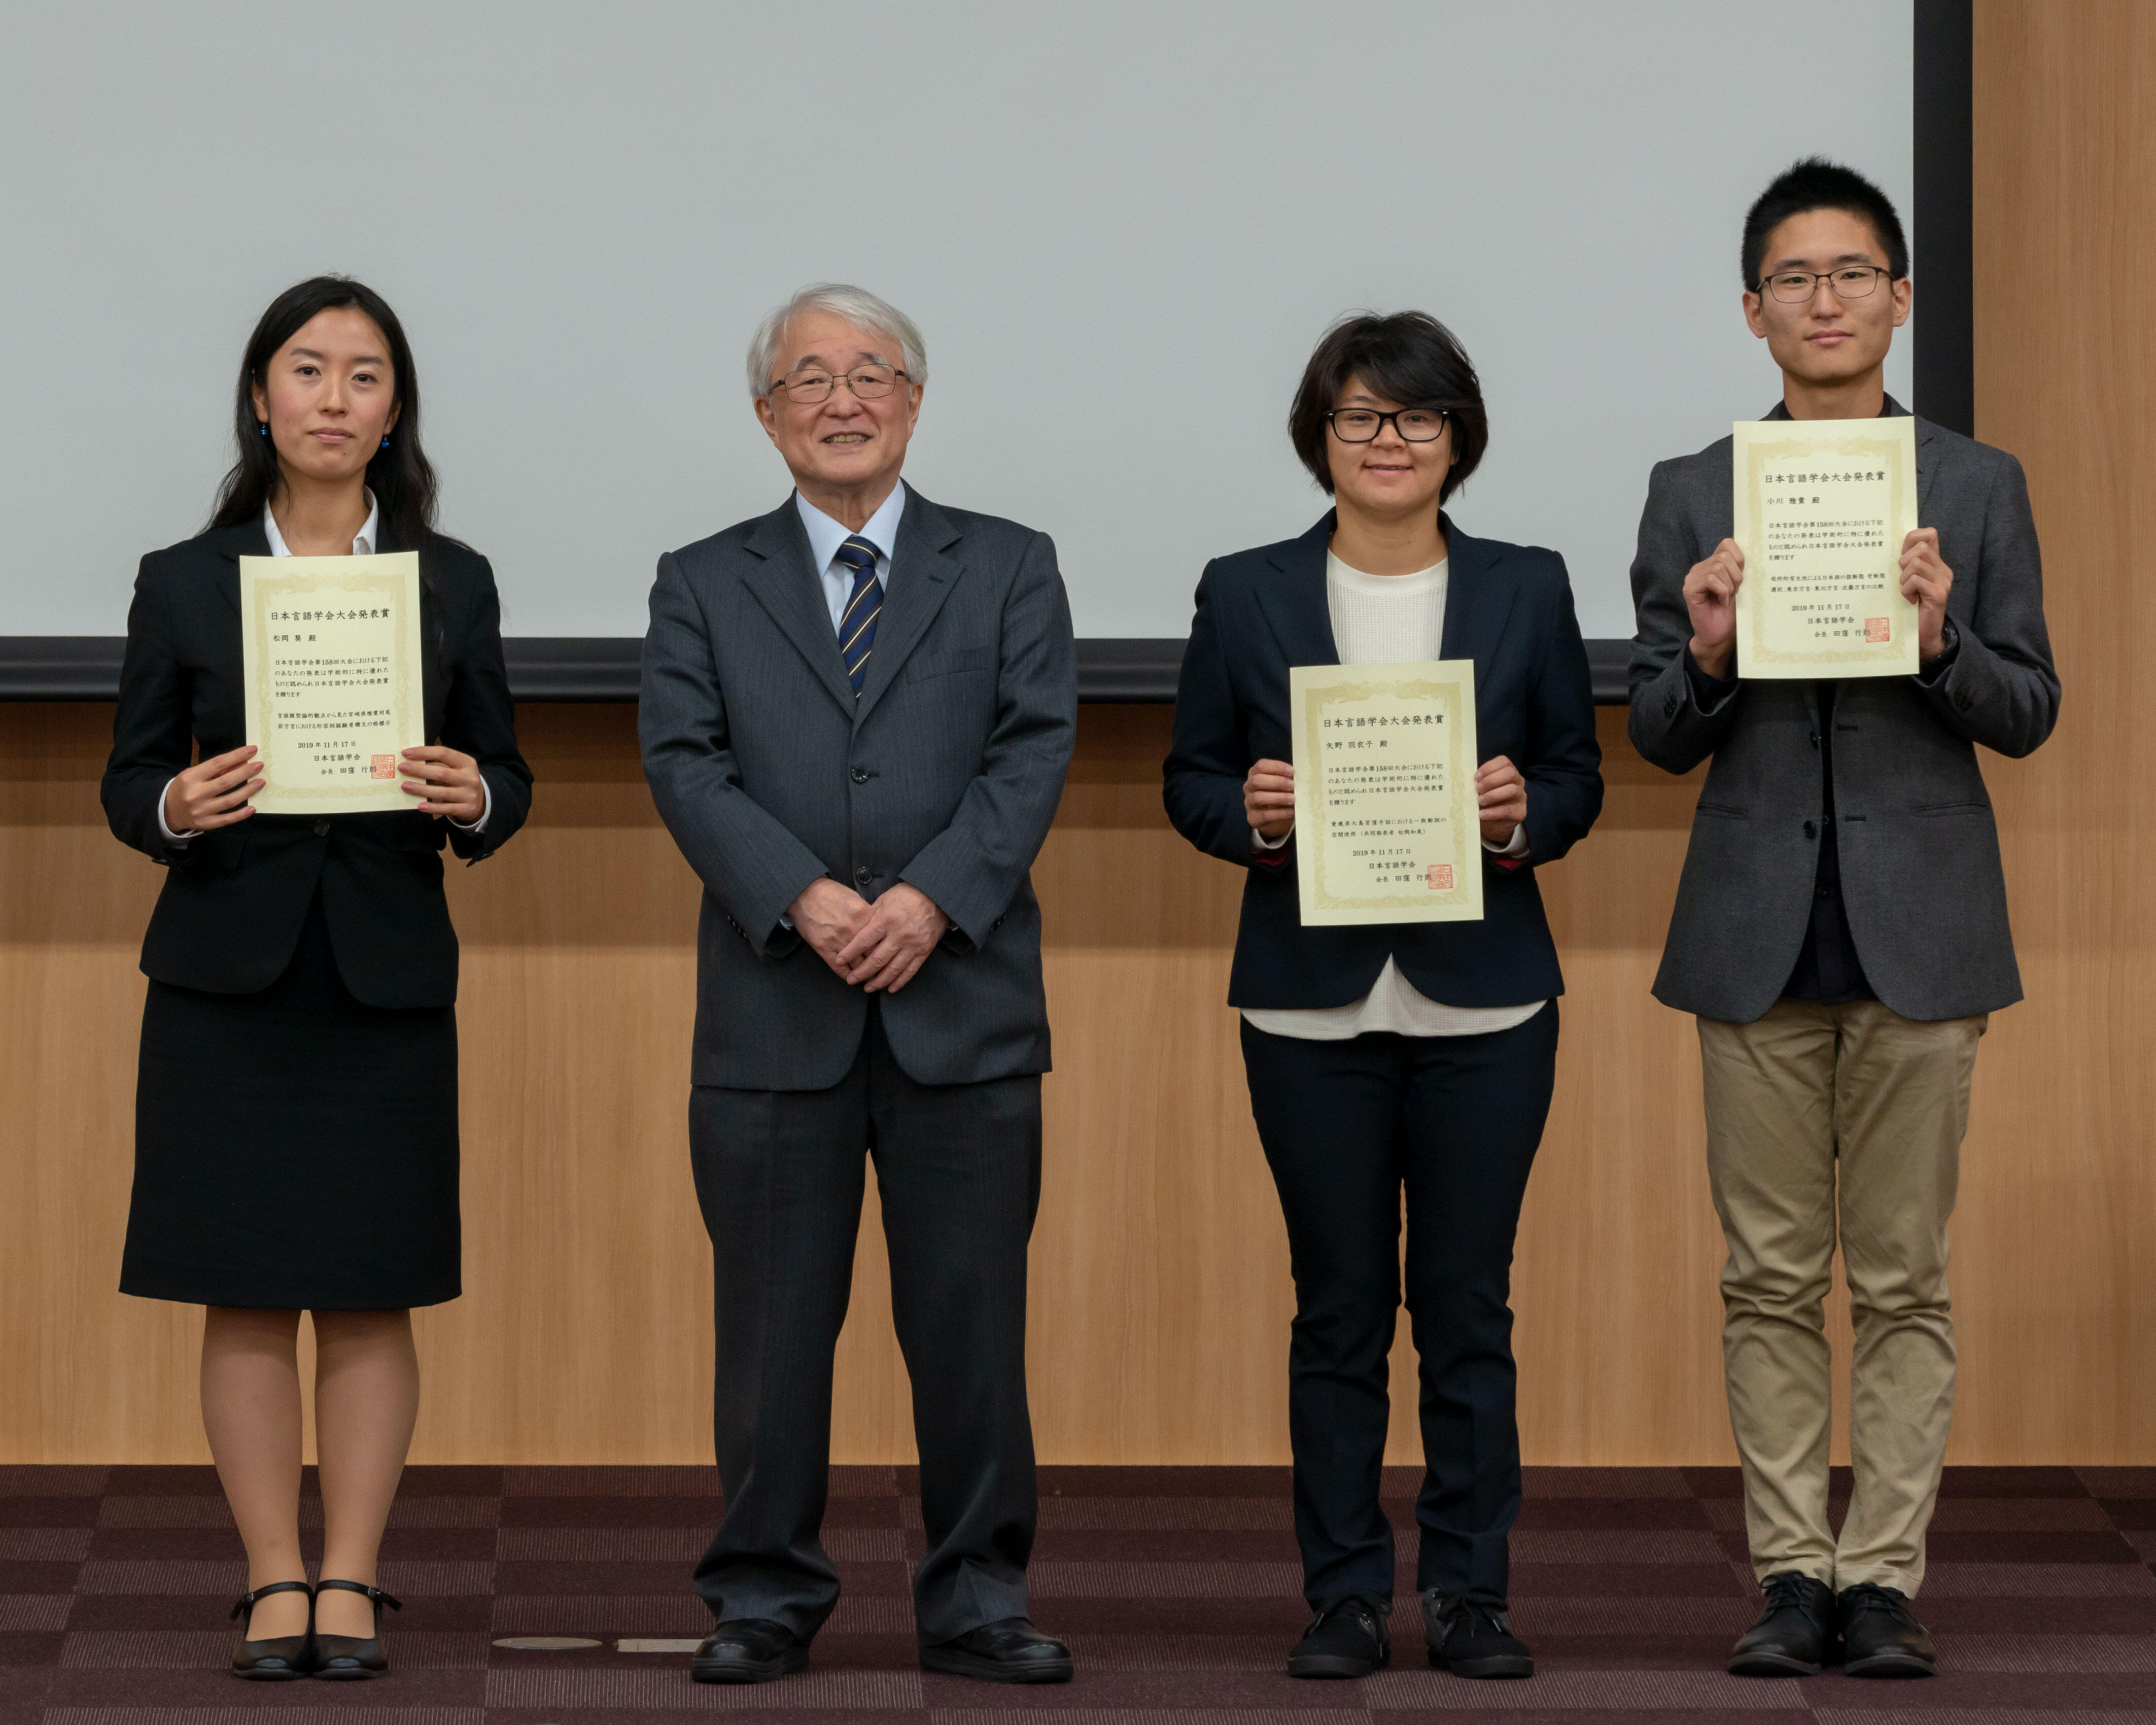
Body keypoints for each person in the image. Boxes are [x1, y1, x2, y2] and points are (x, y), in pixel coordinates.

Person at [1627, 160, 2059, 1680]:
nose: (1825, 301)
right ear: (1752, 312)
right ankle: (1787, 1572)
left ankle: (1879, 1576)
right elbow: (1658, 732)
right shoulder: (1694, 486)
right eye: (1793, 280)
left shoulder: (1973, 483)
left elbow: (2029, 711)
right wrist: (1713, 649)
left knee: (1900, 1280)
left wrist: (1942, 642)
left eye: (1850, 273)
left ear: (1899, 296)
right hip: (1752, 932)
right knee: (1761, 1278)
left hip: (1919, 932)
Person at [639, 284, 1078, 1686]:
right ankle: (761, 1595)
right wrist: (806, 897)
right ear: (766, 415)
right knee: (769, 1333)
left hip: (964, 1006)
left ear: (914, 399)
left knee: (970, 1327)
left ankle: (977, 1595)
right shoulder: (701, 579)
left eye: (870, 373)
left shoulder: (1008, 565)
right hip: (777, 1012)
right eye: (809, 379)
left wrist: (932, 898)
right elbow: (684, 764)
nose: (843, 400)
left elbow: (1031, 750)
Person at [101, 276, 531, 1681]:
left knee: (367, 1288)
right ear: (261, 397)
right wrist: (181, 806)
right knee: (239, 1288)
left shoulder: (451, 581)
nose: (334, 399)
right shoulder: (183, 577)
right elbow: (127, 783)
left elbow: (504, 779)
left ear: (393, 408)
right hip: (228, 974)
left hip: (386, 978)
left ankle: (351, 1574)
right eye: (308, 370)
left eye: (363, 376)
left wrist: (473, 795)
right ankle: (268, 1576)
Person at [1163, 313, 1603, 1682]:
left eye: (1415, 417)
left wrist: (1526, 809)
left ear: (1457, 436)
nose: (1390, 440)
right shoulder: (1244, 591)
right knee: (1339, 1305)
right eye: (1361, 417)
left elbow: (1579, 774)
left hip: (1482, 1002)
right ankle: (1344, 1594)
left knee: (1468, 1305)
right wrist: (1250, 812)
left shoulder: (1526, 586)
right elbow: (1187, 779)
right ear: (1321, 439)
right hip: (1310, 1003)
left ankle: (1470, 1595)